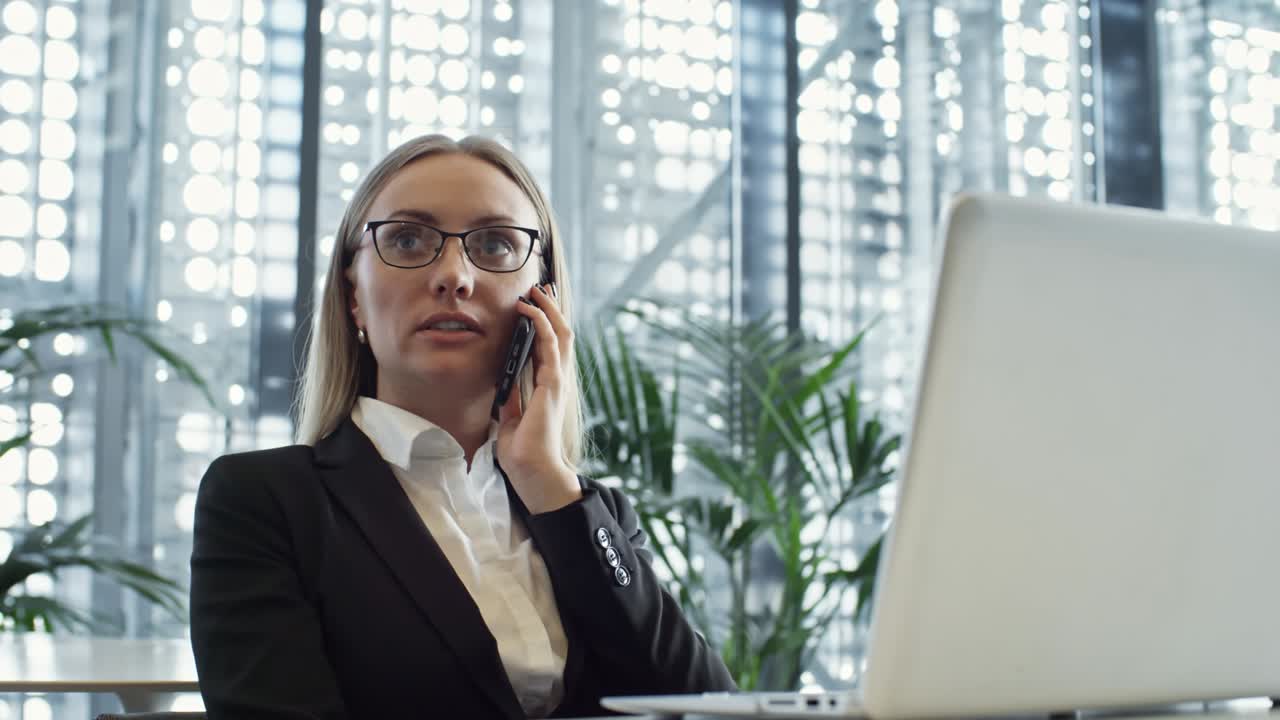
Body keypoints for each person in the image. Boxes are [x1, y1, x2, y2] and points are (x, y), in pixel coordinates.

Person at [189, 134, 735, 719]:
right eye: (406, 239)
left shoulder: (589, 516)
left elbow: (708, 706)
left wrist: (545, 479)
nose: (454, 276)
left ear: (542, 299)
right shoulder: (265, 502)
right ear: (354, 297)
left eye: (496, 244)